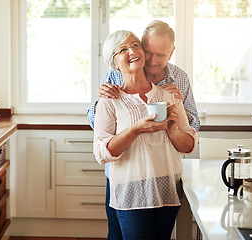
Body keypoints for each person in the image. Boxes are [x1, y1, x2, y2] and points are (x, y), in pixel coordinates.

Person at [88, 20, 200, 239]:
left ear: (171, 52)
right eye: (148, 51)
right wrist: (133, 125)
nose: (152, 60)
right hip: (126, 178)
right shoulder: (114, 80)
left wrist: (174, 123)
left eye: (161, 55)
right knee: (118, 235)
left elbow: (191, 129)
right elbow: (99, 129)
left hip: (164, 178)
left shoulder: (176, 83)